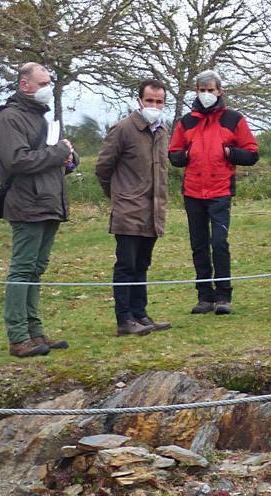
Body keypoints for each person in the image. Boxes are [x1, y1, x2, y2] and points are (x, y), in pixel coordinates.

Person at [0, 62, 77, 358]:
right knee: (22, 269)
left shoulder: (41, 119)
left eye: (50, 82)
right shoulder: (9, 118)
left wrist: (68, 160)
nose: (48, 88)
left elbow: (45, 161)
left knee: (36, 269)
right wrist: (58, 153)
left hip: (49, 203)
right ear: (24, 84)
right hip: (27, 204)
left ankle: (35, 332)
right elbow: (18, 160)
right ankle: (18, 336)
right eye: (42, 83)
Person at [168, 70, 259, 316]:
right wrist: (186, 155)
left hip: (220, 190)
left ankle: (223, 296)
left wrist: (230, 152)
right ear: (196, 92)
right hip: (193, 191)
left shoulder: (234, 119)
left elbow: (252, 153)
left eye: (211, 90)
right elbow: (173, 154)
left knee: (219, 242)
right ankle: (204, 297)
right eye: (202, 90)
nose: (206, 94)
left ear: (219, 92)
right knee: (198, 245)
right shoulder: (187, 121)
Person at [96, 79, 173, 337]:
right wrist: (119, 196)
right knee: (126, 265)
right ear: (139, 101)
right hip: (129, 211)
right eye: (149, 100)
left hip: (153, 212)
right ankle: (124, 319)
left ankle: (141, 314)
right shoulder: (123, 129)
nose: (154, 105)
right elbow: (103, 168)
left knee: (142, 264)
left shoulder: (163, 130)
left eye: (158, 101)